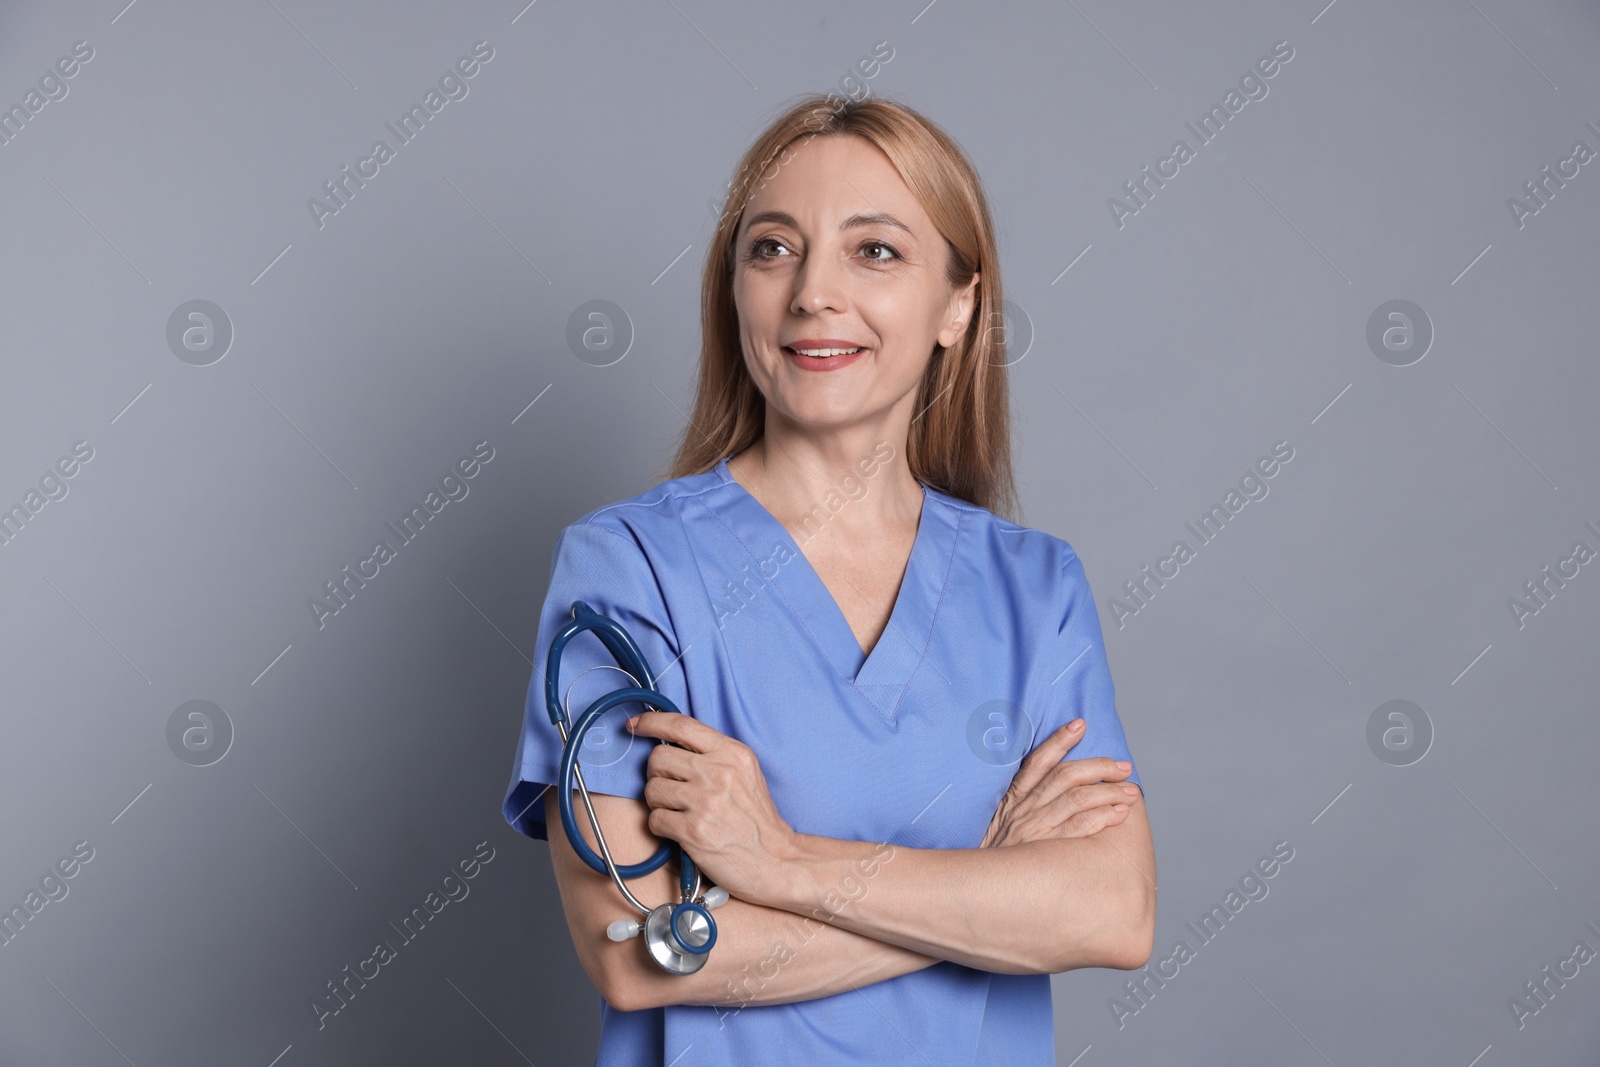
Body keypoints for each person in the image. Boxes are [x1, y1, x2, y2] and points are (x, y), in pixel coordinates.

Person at [502, 93, 1156, 1066]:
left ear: (958, 303)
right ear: (735, 291)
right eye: (772, 248)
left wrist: (783, 862)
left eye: (875, 251)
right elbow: (641, 958)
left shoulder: (1034, 589)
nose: (812, 292)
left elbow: (1112, 911)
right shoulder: (631, 570)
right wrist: (986, 890)